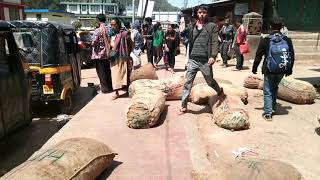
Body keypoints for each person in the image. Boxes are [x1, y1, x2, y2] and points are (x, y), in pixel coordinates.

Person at [178, 5, 225, 115]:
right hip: (193, 59)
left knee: (209, 81)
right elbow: (184, 36)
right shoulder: (192, 25)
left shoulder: (211, 26)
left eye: (204, 12)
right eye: (199, 12)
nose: (201, 14)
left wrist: (213, 56)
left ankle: (219, 91)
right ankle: (183, 106)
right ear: (197, 13)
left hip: (205, 60)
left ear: (207, 13)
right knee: (187, 83)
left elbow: (214, 41)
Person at [252, 17, 295, 121]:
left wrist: (254, 68)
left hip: (269, 69)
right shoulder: (287, 40)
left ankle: (268, 113)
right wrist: (289, 69)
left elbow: (258, 55)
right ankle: (273, 107)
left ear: (270, 27)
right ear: (281, 27)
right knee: (275, 88)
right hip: (281, 70)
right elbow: (292, 55)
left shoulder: (266, 40)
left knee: (268, 91)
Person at [109, 17, 133, 100]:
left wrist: (127, 54)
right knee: (115, 75)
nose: (112, 26)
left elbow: (131, 44)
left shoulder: (125, 33)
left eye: (114, 25)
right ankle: (116, 92)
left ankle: (127, 90)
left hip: (123, 57)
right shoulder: (110, 34)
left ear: (118, 24)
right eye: (111, 25)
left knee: (125, 74)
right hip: (114, 57)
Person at [91, 13, 113, 94]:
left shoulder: (97, 30)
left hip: (99, 55)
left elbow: (93, 42)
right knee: (108, 71)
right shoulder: (109, 29)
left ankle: (105, 89)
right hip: (107, 54)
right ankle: (110, 87)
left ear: (98, 20)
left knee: (101, 72)